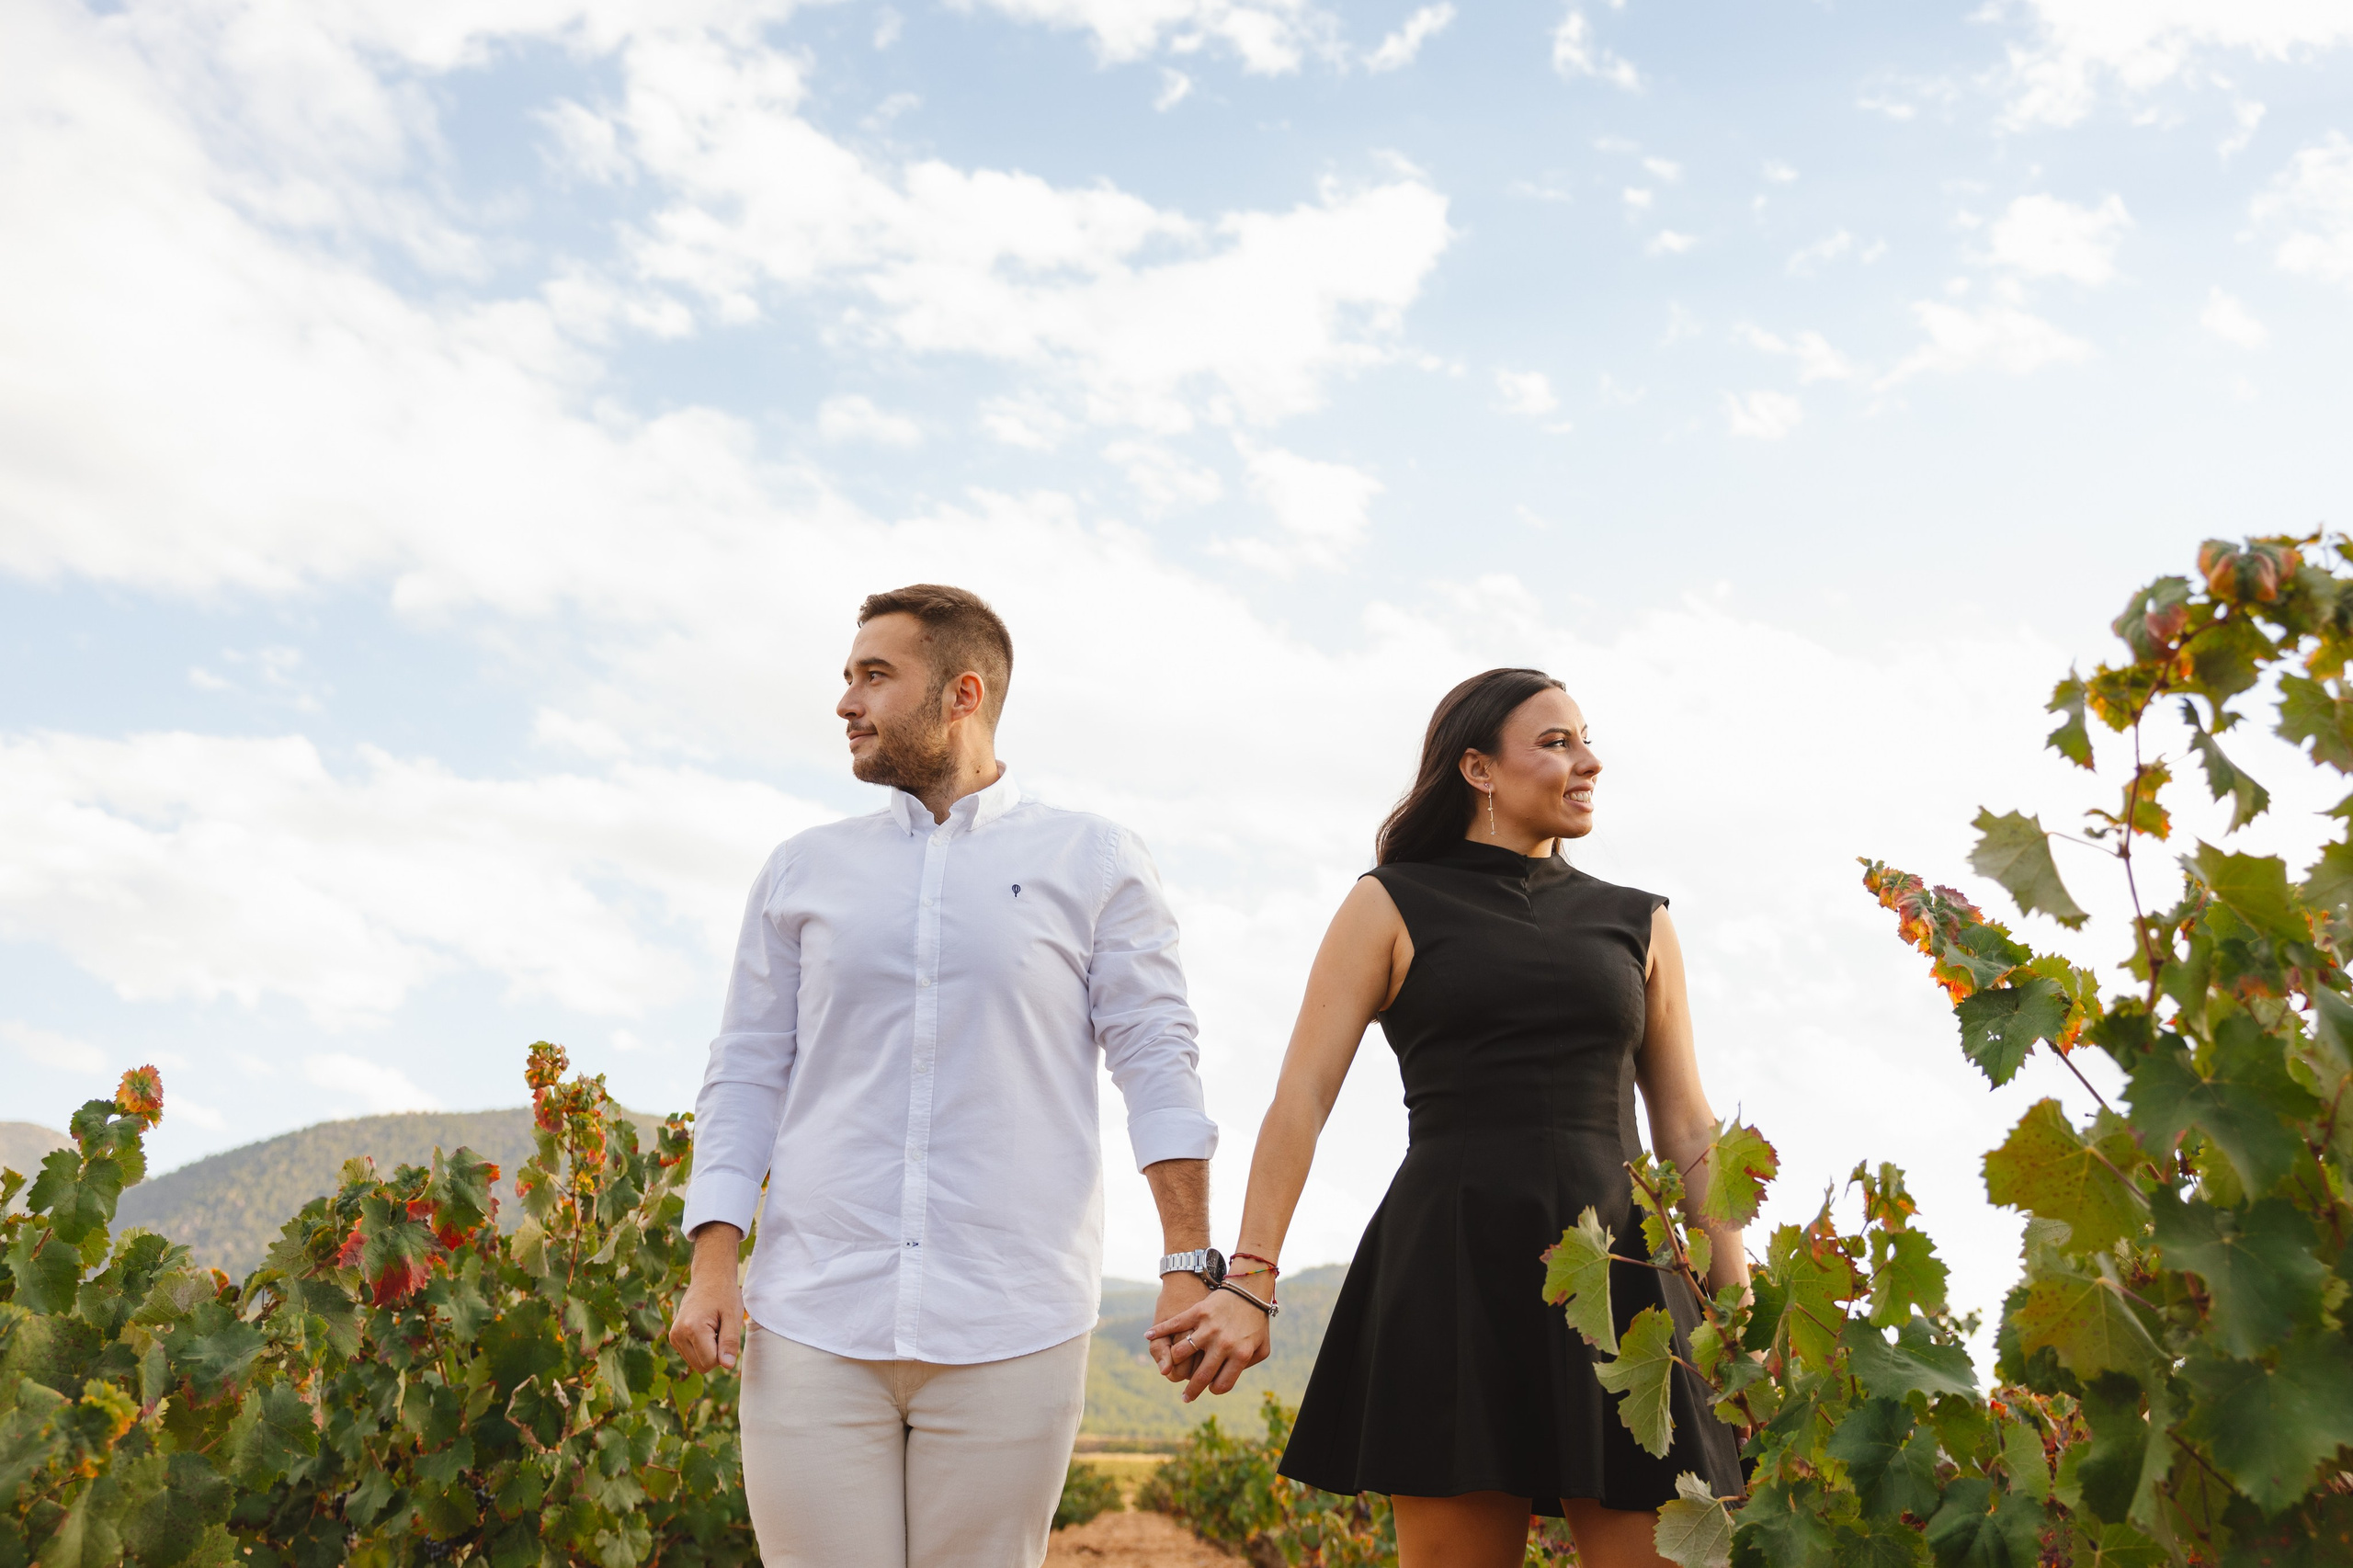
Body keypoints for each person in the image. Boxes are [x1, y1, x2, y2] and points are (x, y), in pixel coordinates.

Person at [667, 585, 1222, 1568]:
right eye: (846, 677)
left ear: (963, 693)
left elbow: (1157, 1058)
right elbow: (746, 1067)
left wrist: (1186, 1260)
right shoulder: (802, 869)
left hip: (1013, 1317)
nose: (847, 701)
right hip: (812, 1316)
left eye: (874, 676)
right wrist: (713, 1257)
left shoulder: (1091, 858)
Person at [1146, 667, 1745, 1568]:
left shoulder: (1639, 921)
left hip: (1624, 1274)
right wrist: (1252, 1274)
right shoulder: (1387, 902)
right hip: (1453, 1274)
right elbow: (1300, 1098)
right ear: (1477, 767)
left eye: (1584, 738)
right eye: (1556, 741)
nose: (1588, 760)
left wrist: (1731, 1309)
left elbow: (1689, 1127)